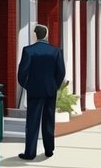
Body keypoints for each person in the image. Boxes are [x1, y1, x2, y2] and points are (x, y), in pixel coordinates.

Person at [17, 24, 65, 160]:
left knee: (32, 121)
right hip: (50, 90)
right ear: (46, 35)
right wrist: (55, 85)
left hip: (34, 90)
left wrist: (28, 86)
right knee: (49, 120)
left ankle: (30, 152)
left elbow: (21, 73)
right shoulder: (55, 51)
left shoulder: (28, 51)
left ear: (36, 35)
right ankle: (49, 149)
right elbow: (61, 72)